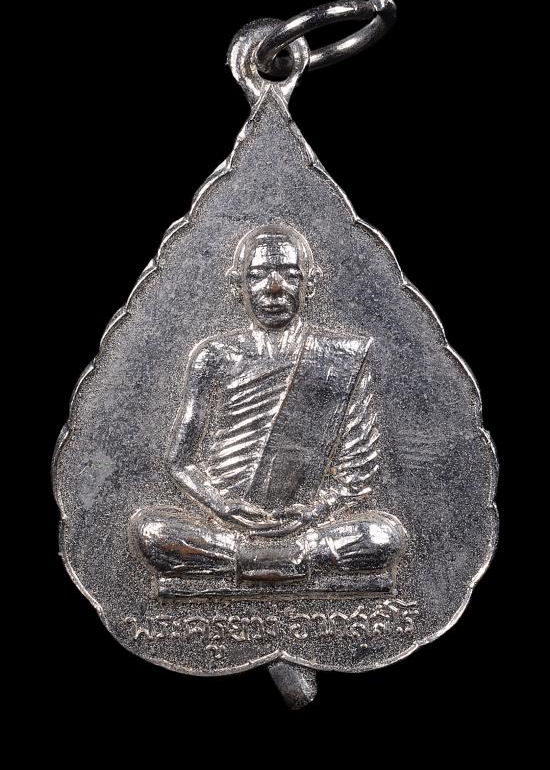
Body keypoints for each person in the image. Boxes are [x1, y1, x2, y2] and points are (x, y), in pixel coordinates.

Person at [129, 223, 405, 592]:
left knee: (382, 535)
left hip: (308, 526)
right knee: (152, 531)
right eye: (258, 275)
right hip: (227, 524)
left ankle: (253, 561)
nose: (274, 288)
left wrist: (313, 511)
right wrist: (223, 506)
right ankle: (284, 560)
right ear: (237, 284)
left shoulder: (342, 356)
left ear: (310, 283)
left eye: (289, 274)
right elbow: (181, 461)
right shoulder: (214, 356)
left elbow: (357, 472)